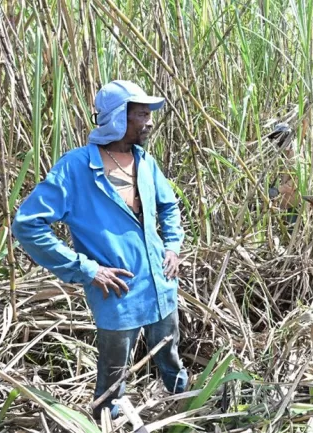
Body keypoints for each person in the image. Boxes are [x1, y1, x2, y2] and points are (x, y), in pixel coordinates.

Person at [12, 80, 187, 419]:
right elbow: (27, 224)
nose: (150, 122)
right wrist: (87, 269)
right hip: (118, 294)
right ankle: (107, 421)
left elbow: (169, 207)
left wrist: (173, 247)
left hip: (161, 284)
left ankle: (187, 410)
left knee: (170, 357)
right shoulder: (76, 168)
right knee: (112, 377)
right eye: (141, 115)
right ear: (118, 118)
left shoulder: (145, 162)